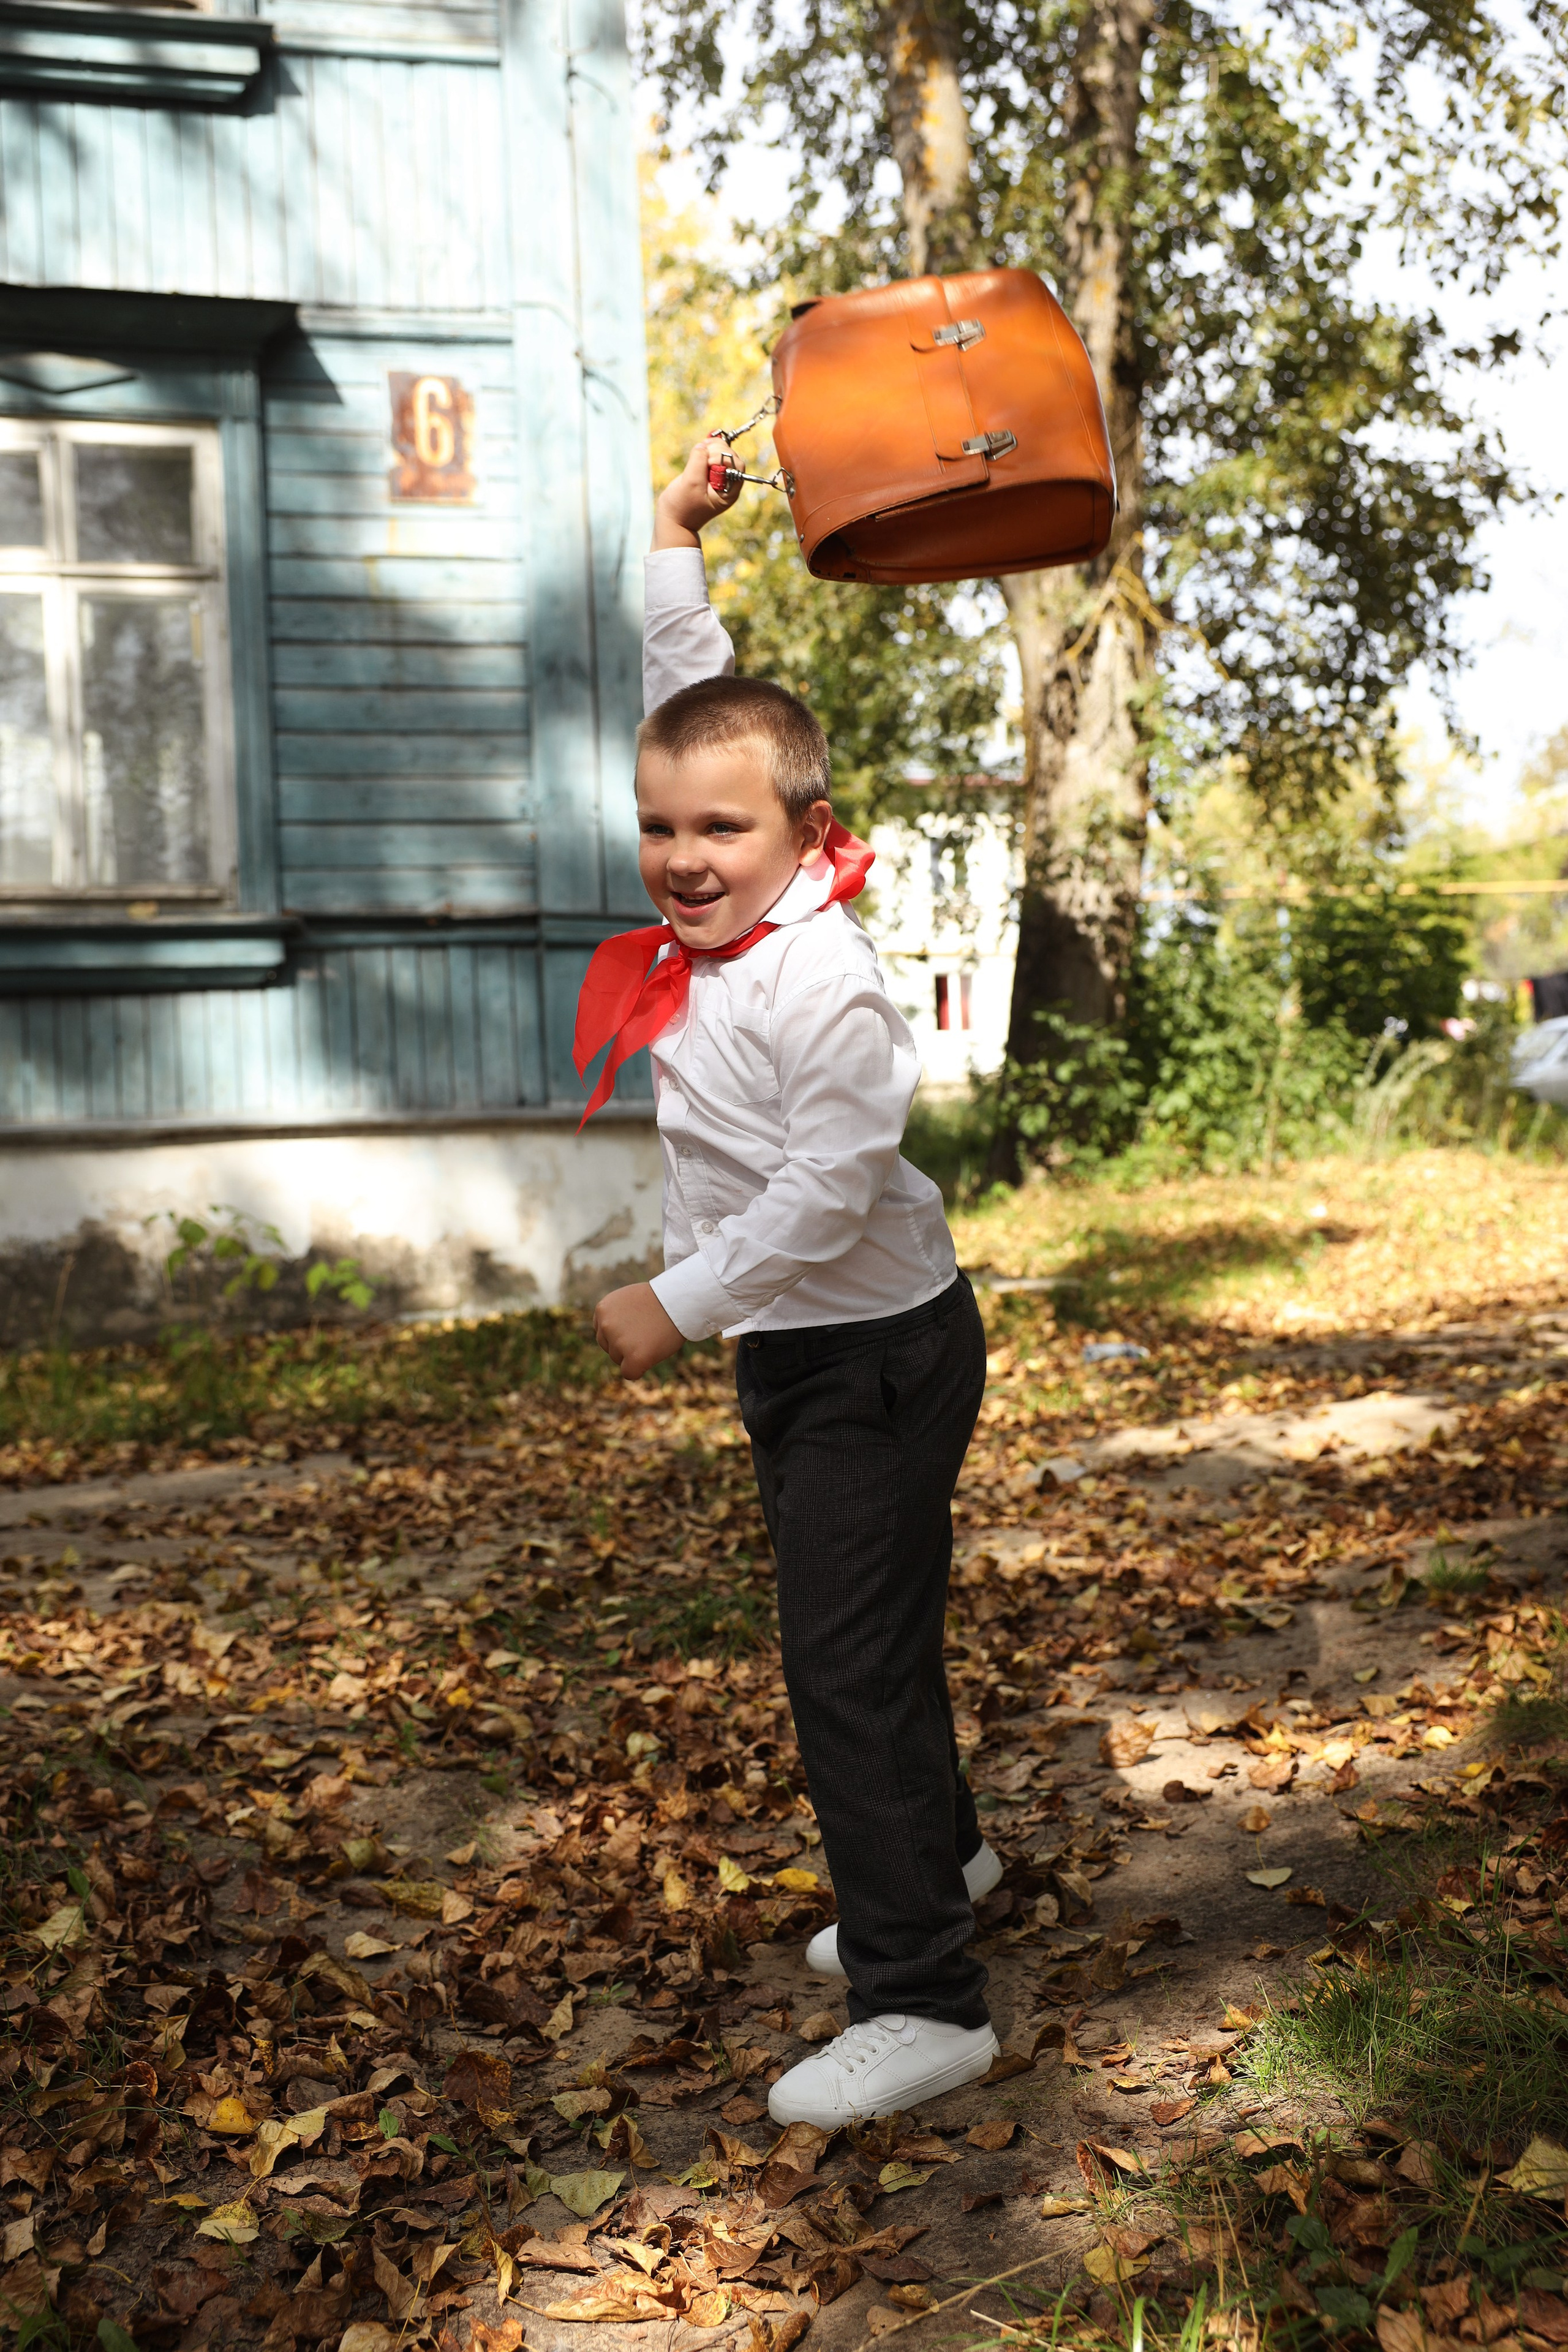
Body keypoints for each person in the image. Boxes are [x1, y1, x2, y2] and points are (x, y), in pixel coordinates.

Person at [580, 435, 1003, 2127]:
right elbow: (688, 697)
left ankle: (925, 1998)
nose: (684, 856)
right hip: (814, 1347)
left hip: (870, 1352)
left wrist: (678, 1297)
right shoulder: (727, 900)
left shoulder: (822, 980)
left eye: (721, 829)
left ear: (807, 833)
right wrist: (673, 536)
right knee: (876, 1631)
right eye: (658, 826)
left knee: (843, 1667)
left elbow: (831, 1188)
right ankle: (942, 1863)